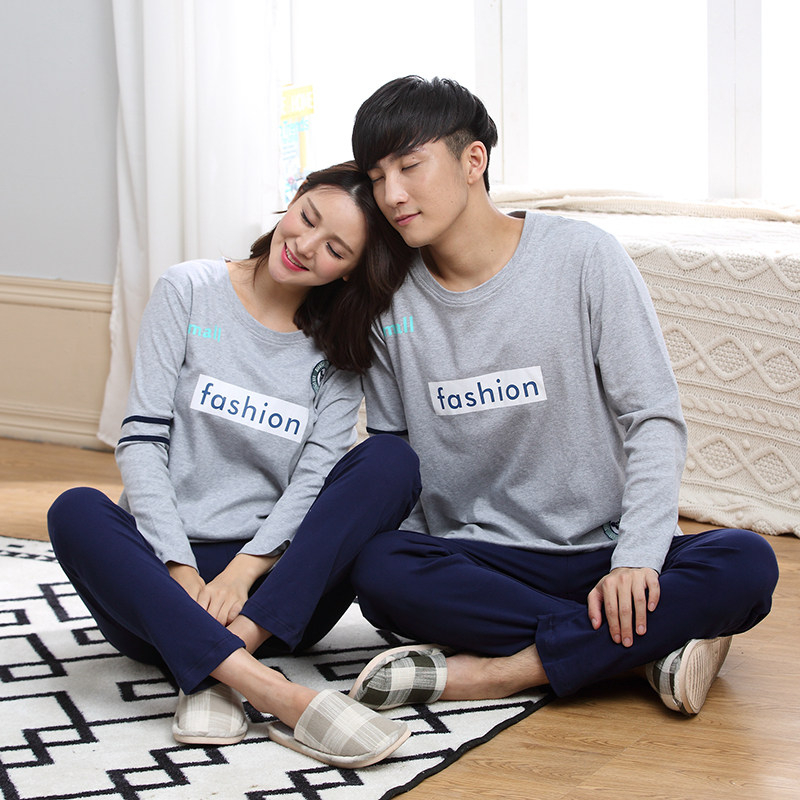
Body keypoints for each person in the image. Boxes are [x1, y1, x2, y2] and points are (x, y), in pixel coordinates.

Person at [344, 76, 779, 717]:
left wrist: (635, 559)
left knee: (746, 561)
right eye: (378, 177)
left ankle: (509, 670)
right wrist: (422, 568)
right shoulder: (389, 302)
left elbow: (653, 417)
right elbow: (395, 457)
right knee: (380, 569)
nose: (392, 195)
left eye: (409, 167)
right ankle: (645, 649)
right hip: (484, 558)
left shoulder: (582, 256)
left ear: (473, 160)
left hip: (604, 548)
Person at [47, 162, 422, 768]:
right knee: (75, 510)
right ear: (293, 198)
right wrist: (177, 568)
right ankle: (277, 693)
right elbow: (141, 438)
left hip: (270, 595)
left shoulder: (341, 343)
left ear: (351, 269)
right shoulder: (189, 289)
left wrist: (243, 574)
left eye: (335, 249)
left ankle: (222, 658)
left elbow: (314, 478)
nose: (305, 246)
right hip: (158, 583)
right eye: (307, 218)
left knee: (390, 460)